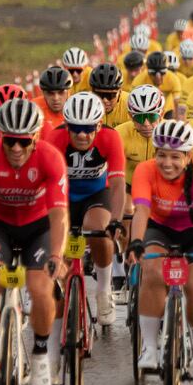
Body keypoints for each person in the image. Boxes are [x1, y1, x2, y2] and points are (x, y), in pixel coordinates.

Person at [0, 98, 68, 385]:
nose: (16, 149)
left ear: (35, 137)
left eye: (24, 142)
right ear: (1, 137)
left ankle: (39, 356)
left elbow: (59, 214)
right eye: (9, 141)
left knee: (40, 287)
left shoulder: (50, 159)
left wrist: (56, 256)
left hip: (39, 227)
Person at [126, 121, 193, 385]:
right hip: (161, 229)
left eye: (175, 156)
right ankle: (149, 346)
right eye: (161, 154)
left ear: (189, 157)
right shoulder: (145, 171)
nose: (166, 163)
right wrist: (135, 241)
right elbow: (142, 210)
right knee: (153, 270)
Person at [44, 92, 126, 329]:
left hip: (95, 195)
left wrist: (117, 220)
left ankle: (103, 290)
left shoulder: (111, 138)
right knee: (62, 259)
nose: (81, 135)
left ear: (99, 125)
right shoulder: (54, 138)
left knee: (98, 230)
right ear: (67, 125)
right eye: (76, 128)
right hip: (64, 198)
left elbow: (119, 184)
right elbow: (44, 183)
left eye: (88, 128)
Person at [89, 63, 130, 129]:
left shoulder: (130, 105)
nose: (105, 100)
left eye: (110, 95)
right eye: (100, 94)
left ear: (120, 92)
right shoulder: (85, 104)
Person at [34, 66, 72, 131]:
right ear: (43, 93)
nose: (56, 98)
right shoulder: (34, 108)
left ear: (68, 92)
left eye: (61, 92)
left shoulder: (77, 109)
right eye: (50, 93)